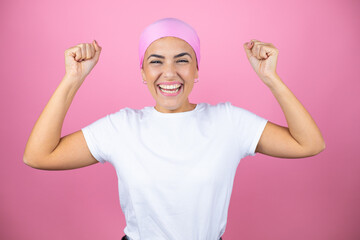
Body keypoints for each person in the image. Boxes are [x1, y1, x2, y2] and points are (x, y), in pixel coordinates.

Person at [23, 18, 325, 240]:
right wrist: (73, 79)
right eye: (156, 62)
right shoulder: (121, 127)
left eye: (182, 61)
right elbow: (39, 155)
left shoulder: (229, 122)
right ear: (143, 73)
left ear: (196, 70)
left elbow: (309, 144)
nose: (169, 73)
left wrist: (271, 78)